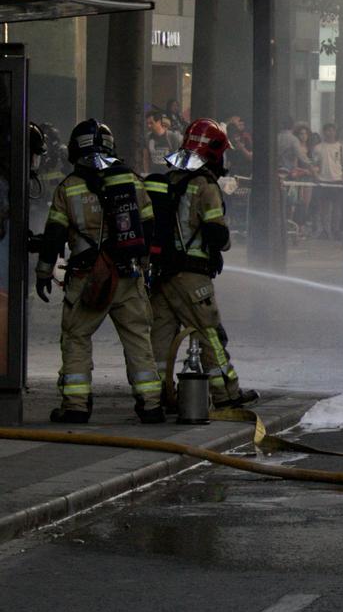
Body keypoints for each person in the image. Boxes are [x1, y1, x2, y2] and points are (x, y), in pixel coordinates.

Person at [35, 120, 162, 423]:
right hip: (127, 277)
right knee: (137, 338)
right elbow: (147, 227)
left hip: (87, 278)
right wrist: (143, 267)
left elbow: (54, 234)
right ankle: (151, 404)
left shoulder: (69, 187)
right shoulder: (131, 181)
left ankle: (76, 406)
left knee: (77, 337)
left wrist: (42, 272)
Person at [147, 119, 257, 410]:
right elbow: (216, 234)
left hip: (162, 273)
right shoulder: (204, 185)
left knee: (160, 336)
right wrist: (222, 243)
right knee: (209, 332)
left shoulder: (171, 179)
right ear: (213, 152)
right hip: (192, 276)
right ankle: (226, 394)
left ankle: (154, 397)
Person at [313, 122, 343, 239]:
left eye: (332, 130)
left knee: (337, 208)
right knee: (324, 208)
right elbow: (314, 164)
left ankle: (336, 230)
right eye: (327, 130)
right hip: (323, 180)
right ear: (324, 132)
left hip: (337, 180)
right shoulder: (318, 148)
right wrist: (316, 176)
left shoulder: (341, 147)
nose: (329, 132)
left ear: (335, 132)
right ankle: (325, 231)